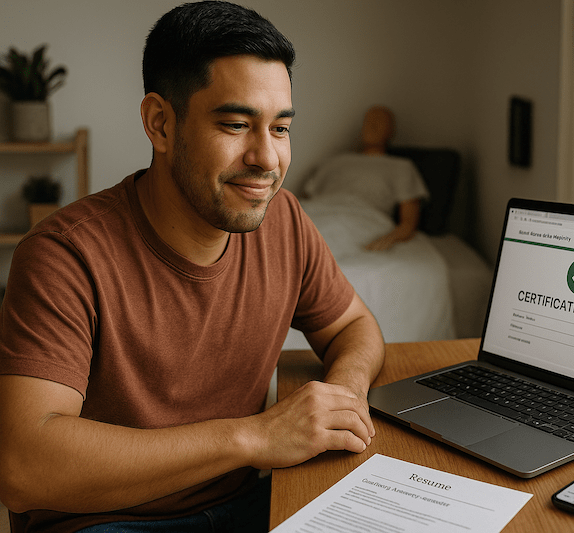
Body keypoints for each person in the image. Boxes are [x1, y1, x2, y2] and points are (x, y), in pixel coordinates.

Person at [0, 2, 384, 532]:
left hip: (247, 505)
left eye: (280, 129)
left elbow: (354, 326)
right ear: (160, 123)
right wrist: (254, 437)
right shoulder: (64, 255)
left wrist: (342, 398)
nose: (267, 159)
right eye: (235, 124)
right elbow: (24, 467)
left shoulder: (284, 222)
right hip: (105, 521)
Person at [302, 105, 429, 251]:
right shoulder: (334, 161)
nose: (372, 125)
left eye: (380, 122)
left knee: (318, 241)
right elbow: (304, 199)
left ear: (391, 131)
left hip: (361, 218)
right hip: (316, 211)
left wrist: (389, 239)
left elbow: (408, 222)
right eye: (368, 121)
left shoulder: (401, 167)